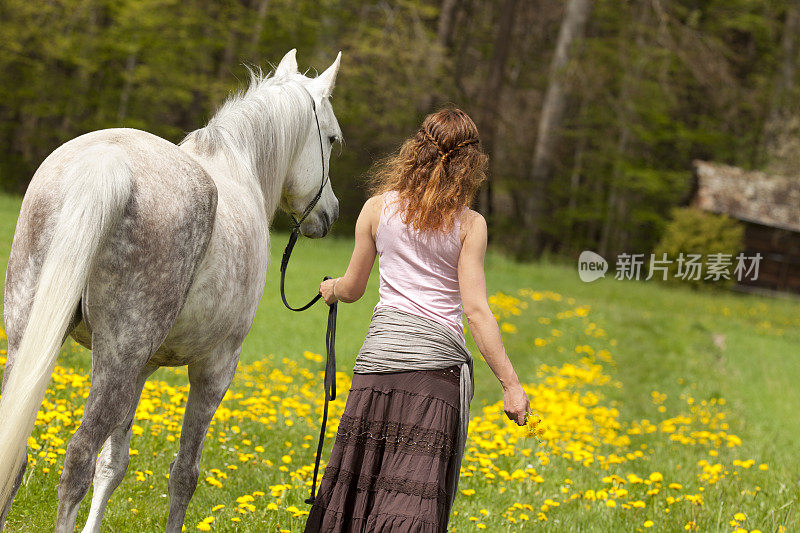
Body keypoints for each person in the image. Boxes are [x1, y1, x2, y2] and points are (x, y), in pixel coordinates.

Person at [304, 108, 530, 533]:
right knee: (412, 500)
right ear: (470, 163)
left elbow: (352, 289)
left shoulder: (376, 209)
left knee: (358, 488)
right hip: (434, 378)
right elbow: (476, 311)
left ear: (416, 150)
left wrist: (330, 288)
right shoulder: (469, 225)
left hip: (378, 369)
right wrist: (511, 385)